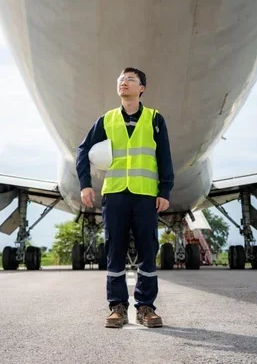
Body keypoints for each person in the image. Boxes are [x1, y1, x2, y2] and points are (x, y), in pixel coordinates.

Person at [76, 67, 174, 328]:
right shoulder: (107, 120)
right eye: (121, 79)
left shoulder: (155, 119)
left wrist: (164, 191)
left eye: (131, 80)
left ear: (142, 88)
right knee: (114, 251)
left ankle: (145, 308)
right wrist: (85, 185)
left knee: (147, 250)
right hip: (116, 193)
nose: (124, 83)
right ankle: (117, 307)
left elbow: (164, 157)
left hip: (144, 195)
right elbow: (83, 150)